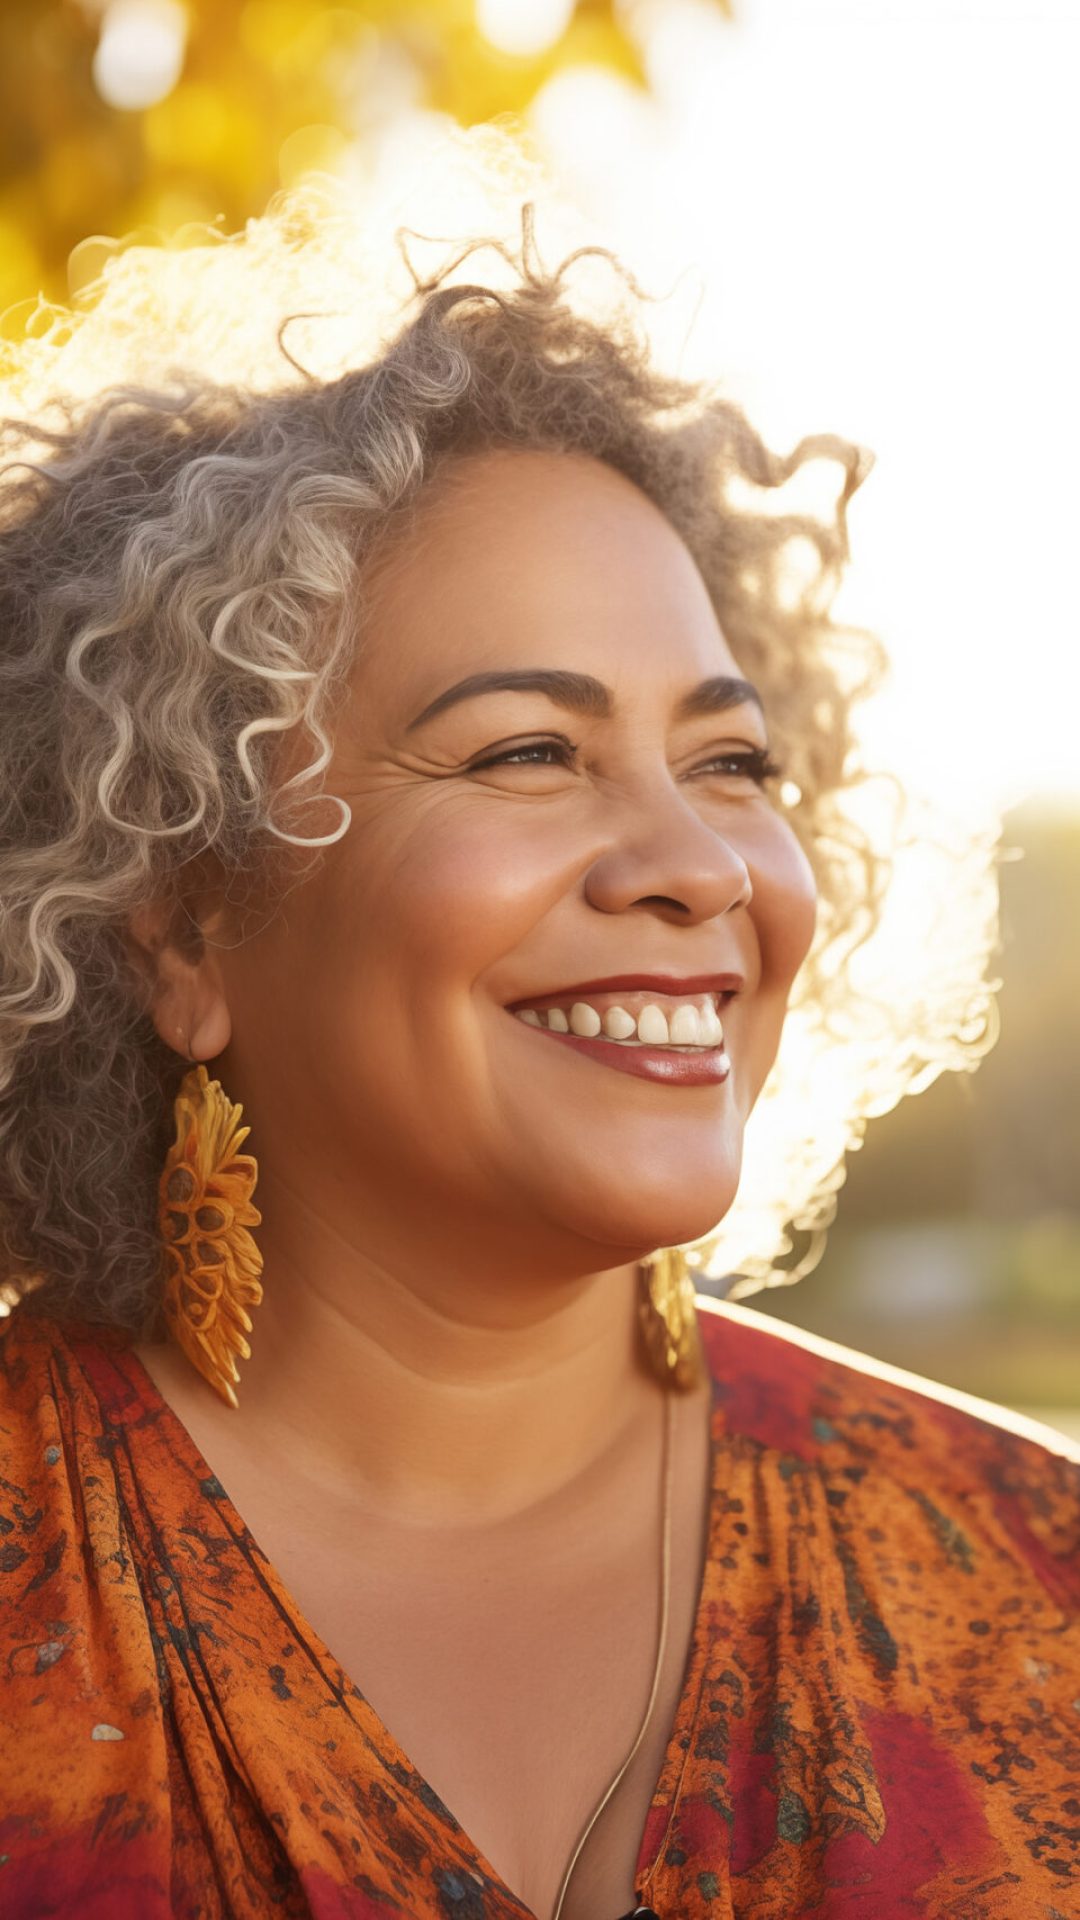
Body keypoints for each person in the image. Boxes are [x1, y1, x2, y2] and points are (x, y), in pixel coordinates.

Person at [0, 181, 1077, 1920]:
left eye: (730, 765)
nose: (698, 865)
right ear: (186, 924)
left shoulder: (1036, 1581)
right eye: (522, 754)